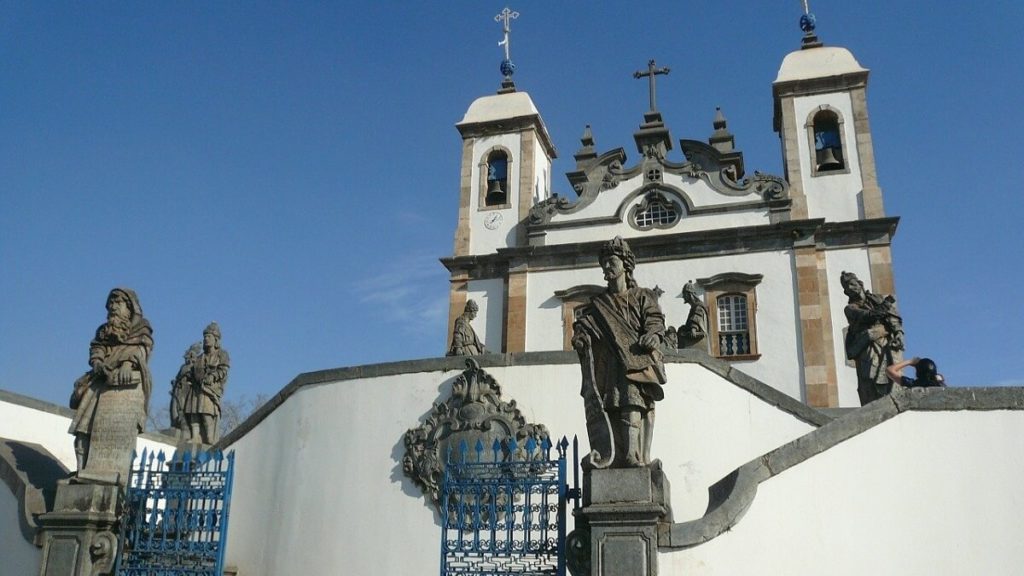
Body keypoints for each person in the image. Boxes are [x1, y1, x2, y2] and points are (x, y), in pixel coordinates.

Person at [573, 237, 667, 467]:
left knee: (633, 402)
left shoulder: (643, 296)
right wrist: (580, 338)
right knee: (612, 406)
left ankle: (632, 454)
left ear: (626, 264)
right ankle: (614, 454)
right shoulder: (599, 303)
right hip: (609, 362)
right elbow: (584, 325)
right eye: (604, 262)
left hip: (635, 357)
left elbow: (655, 321)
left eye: (611, 261)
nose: (607, 267)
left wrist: (653, 336)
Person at [69, 288, 153, 482]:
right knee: (83, 429)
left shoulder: (141, 329)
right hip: (99, 383)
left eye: (118, 303)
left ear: (129, 307)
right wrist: (98, 363)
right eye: (111, 304)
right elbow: (96, 348)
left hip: (123, 384)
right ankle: (81, 471)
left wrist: (127, 363)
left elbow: (142, 349)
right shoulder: (104, 330)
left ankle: (113, 475)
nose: (114, 308)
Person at [840, 271, 905, 406]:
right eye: (847, 288)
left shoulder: (876, 299)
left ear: (860, 284)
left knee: (891, 377)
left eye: (852, 284)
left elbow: (892, 317)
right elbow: (868, 316)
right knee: (870, 377)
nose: (850, 288)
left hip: (886, 344)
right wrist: (886, 304)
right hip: (867, 347)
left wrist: (898, 333)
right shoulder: (850, 308)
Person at [185, 322, 230, 444]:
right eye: (204, 337)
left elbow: (223, 370)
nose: (206, 339)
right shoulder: (200, 357)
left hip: (210, 389)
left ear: (215, 339)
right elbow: (194, 371)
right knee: (193, 411)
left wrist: (213, 376)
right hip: (197, 388)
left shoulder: (222, 355)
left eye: (208, 336)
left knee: (206, 412)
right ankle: (195, 436)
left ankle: (210, 438)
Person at [170, 342, 201, 436]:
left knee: (183, 411)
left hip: (187, 391)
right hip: (178, 390)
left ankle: (185, 430)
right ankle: (176, 425)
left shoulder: (194, 367)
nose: (188, 358)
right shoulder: (183, 367)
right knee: (174, 409)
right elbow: (178, 377)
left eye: (189, 356)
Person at [677, 280, 708, 349]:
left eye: (684, 294)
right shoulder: (694, 307)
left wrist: (693, 328)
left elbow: (697, 317)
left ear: (689, 294)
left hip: (696, 338)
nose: (683, 297)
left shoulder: (698, 306)